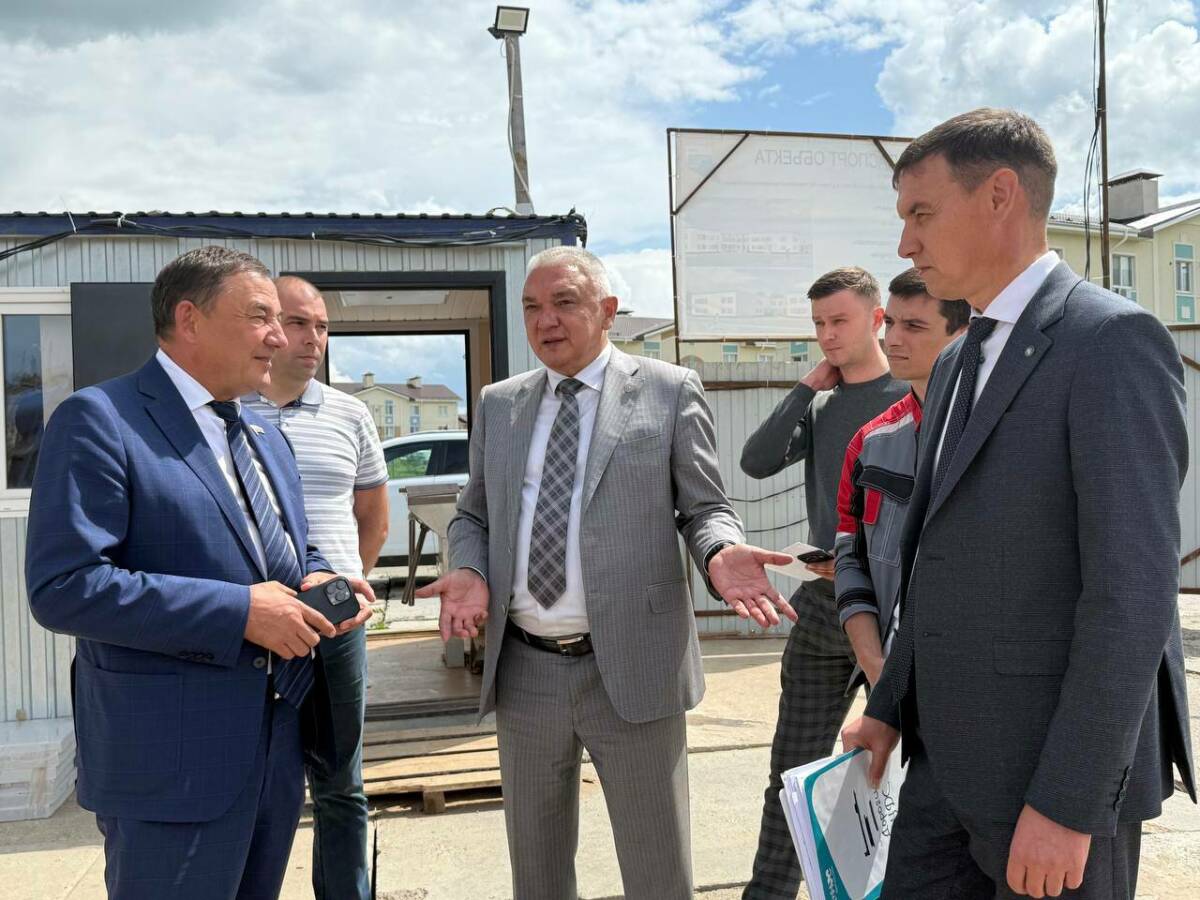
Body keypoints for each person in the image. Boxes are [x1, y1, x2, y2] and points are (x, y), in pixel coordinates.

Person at [842, 108, 1195, 899]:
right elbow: (935, 560)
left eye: (921, 213)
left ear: (1000, 195)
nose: (905, 243)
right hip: (942, 770)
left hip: (1048, 783)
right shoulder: (958, 357)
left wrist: (1069, 802)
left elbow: (1133, 594)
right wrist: (888, 705)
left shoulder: (1111, 343)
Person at [415, 245, 796, 900]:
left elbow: (704, 507)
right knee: (536, 875)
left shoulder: (669, 390)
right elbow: (473, 514)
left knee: (657, 872)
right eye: (532, 307)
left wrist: (719, 552)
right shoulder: (500, 405)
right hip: (526, 671)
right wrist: (471, 568)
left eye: (564, 302)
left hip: (633, 664)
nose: (545, 320)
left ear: (608, 310)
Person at [25, 246, 375, 900]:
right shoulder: (100, 420)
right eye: (261, 317)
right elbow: (65, 587)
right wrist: (240, 613)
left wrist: (321, 580)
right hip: (171, 766)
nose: (280, 337)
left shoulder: (263, 435)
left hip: (273, 754)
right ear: (190, 319)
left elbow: (288, 551)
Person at [740, 266, 909, 899]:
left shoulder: (912, 395)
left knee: (904, 773)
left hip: (894, 612)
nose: (828, 335)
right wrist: (808, 385)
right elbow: (756, 462)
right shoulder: (822, 405)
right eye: (818, 324)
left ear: (877, 319)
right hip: (820, 610)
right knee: (791, 774)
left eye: (840, 321)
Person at [242, 275, 388, 900]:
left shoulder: (350, 414)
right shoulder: (228, 412)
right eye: (298, 322)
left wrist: (343, 590)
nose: (313, 338)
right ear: (268, 327)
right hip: (253, 628)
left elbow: (373, 518)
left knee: (340, 782)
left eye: (322, 326)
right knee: (252, 780)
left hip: (336, 629)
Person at [834, 269, 969, 687]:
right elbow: (850, 557)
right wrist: (874, 664)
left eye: (914, 326)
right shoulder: (868, 444)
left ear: (962, 334)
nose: (892, 339)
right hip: (891, 676)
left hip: (978, 677)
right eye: (890, 323)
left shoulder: (1004, 437)